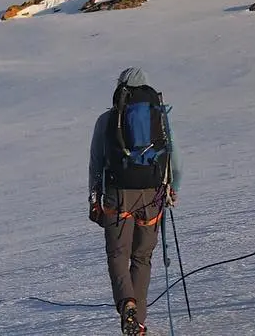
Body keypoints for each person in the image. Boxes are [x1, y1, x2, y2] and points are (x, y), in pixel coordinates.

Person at [88, 67, 182, 336]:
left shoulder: (106, 120)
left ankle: (126, 304)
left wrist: (94, 197)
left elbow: (96, 163)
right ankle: (138, 323)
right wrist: (172, 188)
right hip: (152, 195)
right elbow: (176, 159)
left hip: (117, 196)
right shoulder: (159, 118)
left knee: (118, 254)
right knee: (142, 257)